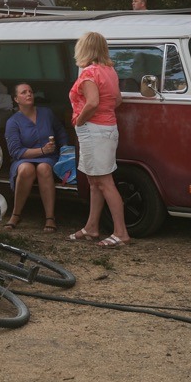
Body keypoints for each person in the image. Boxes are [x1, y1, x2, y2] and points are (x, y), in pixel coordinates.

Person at [66, 31, 130, 247]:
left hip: (94, 131)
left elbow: (92, 103)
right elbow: (117, 100)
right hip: (107, 128)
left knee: (104, 182)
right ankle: (92, 227)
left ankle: (121, 232)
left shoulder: (89, 73)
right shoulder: (109, 71)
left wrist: (80, 120)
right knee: (94, 181)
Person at [4, 83, 63, 232]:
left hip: (49, 157)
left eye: (30, 91)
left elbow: (60, 131)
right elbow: (16, 152)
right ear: (16, 99)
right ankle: (16, 214)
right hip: (24, 158)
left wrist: (65, 150)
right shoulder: (13, 122)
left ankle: (50, 217)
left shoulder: (46, 113)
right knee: (25, 169)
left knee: (43, 168)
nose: (29, 94)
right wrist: (42, 150)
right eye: (24, 92)